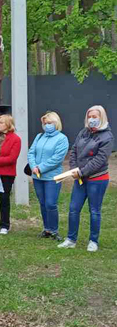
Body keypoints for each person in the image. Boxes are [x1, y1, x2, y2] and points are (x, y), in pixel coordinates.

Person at [58, 105, 114, 252]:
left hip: (97, 179)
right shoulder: (83, 132)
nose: (91, 119)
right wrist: (74, 169)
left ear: (101, 118)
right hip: (80, 178)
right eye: (89, 116)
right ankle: (71, 239)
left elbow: (100, 160)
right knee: (73, 209)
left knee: (94, 211)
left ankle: (93, 241)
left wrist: (81, 172)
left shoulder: (107, 137)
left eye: (94, 117)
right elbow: (74, 150)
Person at [27, 111, 69, 241]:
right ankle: (46, 229)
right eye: (45, 123)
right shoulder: (39, 136)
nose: (46, 125)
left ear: (56, 123)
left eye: (49, 123)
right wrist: (34, 166)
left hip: (53, 176)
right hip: (37, 176)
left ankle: (54, 230)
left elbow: (57, 158)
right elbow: (31, 152)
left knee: (51, 203)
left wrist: (41, 167)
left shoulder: (62, 139)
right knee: (43, 203)